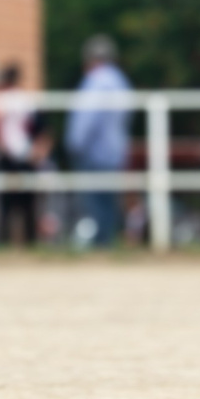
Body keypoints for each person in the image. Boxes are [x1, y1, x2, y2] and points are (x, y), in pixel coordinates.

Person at [65, 35, 132, 249]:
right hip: (115, 152)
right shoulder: (121, 81)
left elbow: (86, 119)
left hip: (93, 153)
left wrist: (74, 144)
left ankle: (100, 247)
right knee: (109, 203)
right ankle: (109, 244)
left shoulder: (95, 81)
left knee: (94, 204)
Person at [0, 63, 39, 248]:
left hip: (6, 155)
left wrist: (0, 146)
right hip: (26, 154)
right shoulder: (26, 99)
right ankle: (31, 243)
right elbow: (37, 128)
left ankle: (4, 243)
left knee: (5, 206)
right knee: (28, 205)